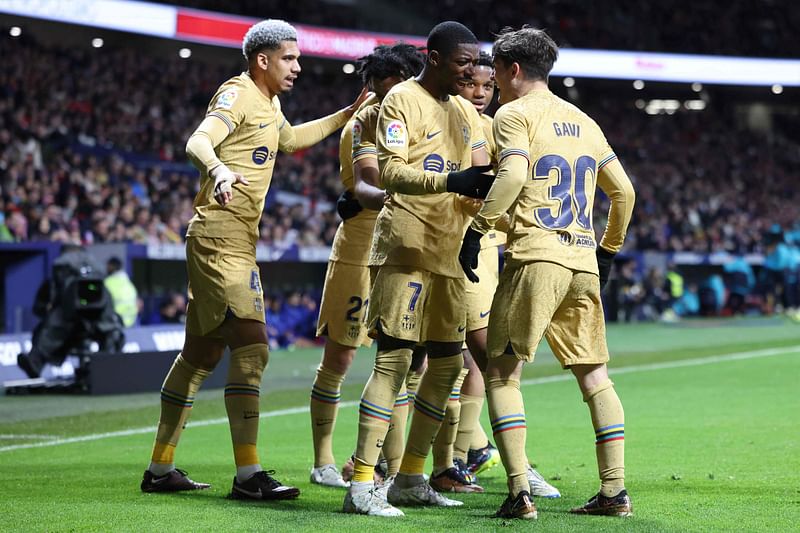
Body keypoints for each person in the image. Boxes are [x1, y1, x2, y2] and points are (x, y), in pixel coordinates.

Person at [139, 19, 369, 500]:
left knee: (200, 354)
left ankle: (160, 469)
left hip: (237, 238)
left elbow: (288, 140)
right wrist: (219, 169)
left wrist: (346, 114)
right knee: (254, 349)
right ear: (262, 59)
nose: (298, 67)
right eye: (290, 58)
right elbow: (197, 141)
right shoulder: (238, 93)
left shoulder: (269, 101)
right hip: (220, 237)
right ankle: (248, 475)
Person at [459, 27, 635, 519]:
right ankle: (614, 491)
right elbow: (624, 193)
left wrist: (478, 228)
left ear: (513, 70)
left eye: (495, 69)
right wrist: (608, 251)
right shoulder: (585, 120)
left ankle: (519, 493)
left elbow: (513, 175)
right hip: (582, 260)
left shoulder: (512, 114)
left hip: (536, 255)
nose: (492, 78)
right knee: (596, 377)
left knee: (501, 374)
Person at [343, 21, 495, 517]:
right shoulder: (401, 101)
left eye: (475, 63)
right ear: (433, 58)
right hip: (407, 246)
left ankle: (410, 476)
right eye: (462, 63)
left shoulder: (465, 114)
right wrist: (455, 178)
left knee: (449, 364)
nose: (470, 72)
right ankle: (362, 482)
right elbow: (389, 172)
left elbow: (475, 176)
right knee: (394, 361)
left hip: (449, 252)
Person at [310, 43, 426, 488]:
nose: (386, 94)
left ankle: (390, 468)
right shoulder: (368, 119)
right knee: (341, 354)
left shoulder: (420, 113)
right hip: (362, 245)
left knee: (405, 357)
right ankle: (324, 461)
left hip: (408, 244)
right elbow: (372, 183)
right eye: (383, 84)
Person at [451, 51, 560, 499]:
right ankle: (470, 458)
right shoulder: (453, 118)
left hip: (486, 249)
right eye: (470, 84)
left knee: (479, 360)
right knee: (471, 359)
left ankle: (461, 456)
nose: (479, 93)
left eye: (486, 86)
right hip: (453, 246)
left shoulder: (503, 122)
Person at [17, 245, 125, 379]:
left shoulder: (99, 289)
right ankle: (34, 363)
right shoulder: (58, 287)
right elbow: (41, 309)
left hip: (92, 324)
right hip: (70, 327)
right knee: (50, 326)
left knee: (113, 331)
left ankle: (106, 368)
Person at [104, 256, 138, 327]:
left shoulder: (108, 283)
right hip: (131, 323)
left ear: (111, 266)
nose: (106, 268)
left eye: (108, 266)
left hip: (115, 323)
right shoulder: (129, 283)